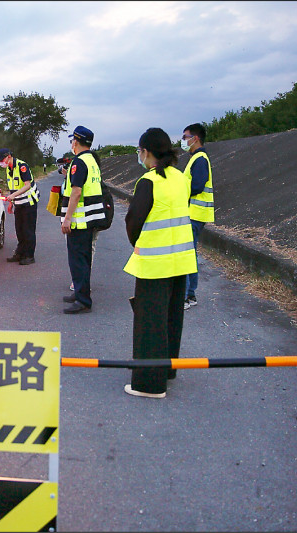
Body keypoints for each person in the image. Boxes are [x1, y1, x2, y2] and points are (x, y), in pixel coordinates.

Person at [123, 127, 197, 398]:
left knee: (149, 322)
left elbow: (133, 221)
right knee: (171, 318)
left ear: (147, 152)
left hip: (156, 262)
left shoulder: (149, 181)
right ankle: (167, 369)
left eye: (140, 151)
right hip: (181, 260)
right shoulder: (180, 177)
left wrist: (140, 245)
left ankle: (149, 384)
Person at [61, 126, 105, 314]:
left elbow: (76, 192)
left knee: (78, 260)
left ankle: (83, 300)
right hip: (92, 219)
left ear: (76, 142)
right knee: (84, 260)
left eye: (73, 141)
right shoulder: (92, 160)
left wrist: (67, 219)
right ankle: (80, 292)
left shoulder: (79, 162)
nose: (72, 144)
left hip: (80, 221)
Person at [180, 123, 214, 310]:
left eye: (186, 137)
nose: (183, 141)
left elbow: (197, 186)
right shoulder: (197, 158)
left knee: (186, 255)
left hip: (194, 213)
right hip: (196, 213)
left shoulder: (200, 159)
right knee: (190, 254)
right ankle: (190, 294)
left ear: (196, 138)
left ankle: (184, 297)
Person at [0, 148, 40, 265]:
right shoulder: (9, 169)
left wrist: (13, 196)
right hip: (19, 204)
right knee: (19, 230)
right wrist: (11, 203)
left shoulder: (22, 166)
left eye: (2, 159)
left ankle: (29, 256)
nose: (1, 162)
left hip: (29, 203)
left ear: (9, 156)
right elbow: (13, 188)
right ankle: (20, 253)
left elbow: (27, 186)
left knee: (28, 230)